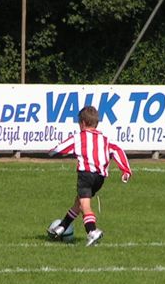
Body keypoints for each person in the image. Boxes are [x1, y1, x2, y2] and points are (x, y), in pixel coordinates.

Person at [47, 105, 132, 246]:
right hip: (100, 178)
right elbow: (117, 150)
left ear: (82, 123)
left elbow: (60, 148)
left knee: (85, 205)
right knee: (78, 203)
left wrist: (52, 151)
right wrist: (126, 171)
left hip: (86, 175)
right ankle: (62, 227)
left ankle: (92, 231)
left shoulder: (79, 137)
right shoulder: (104, 140)